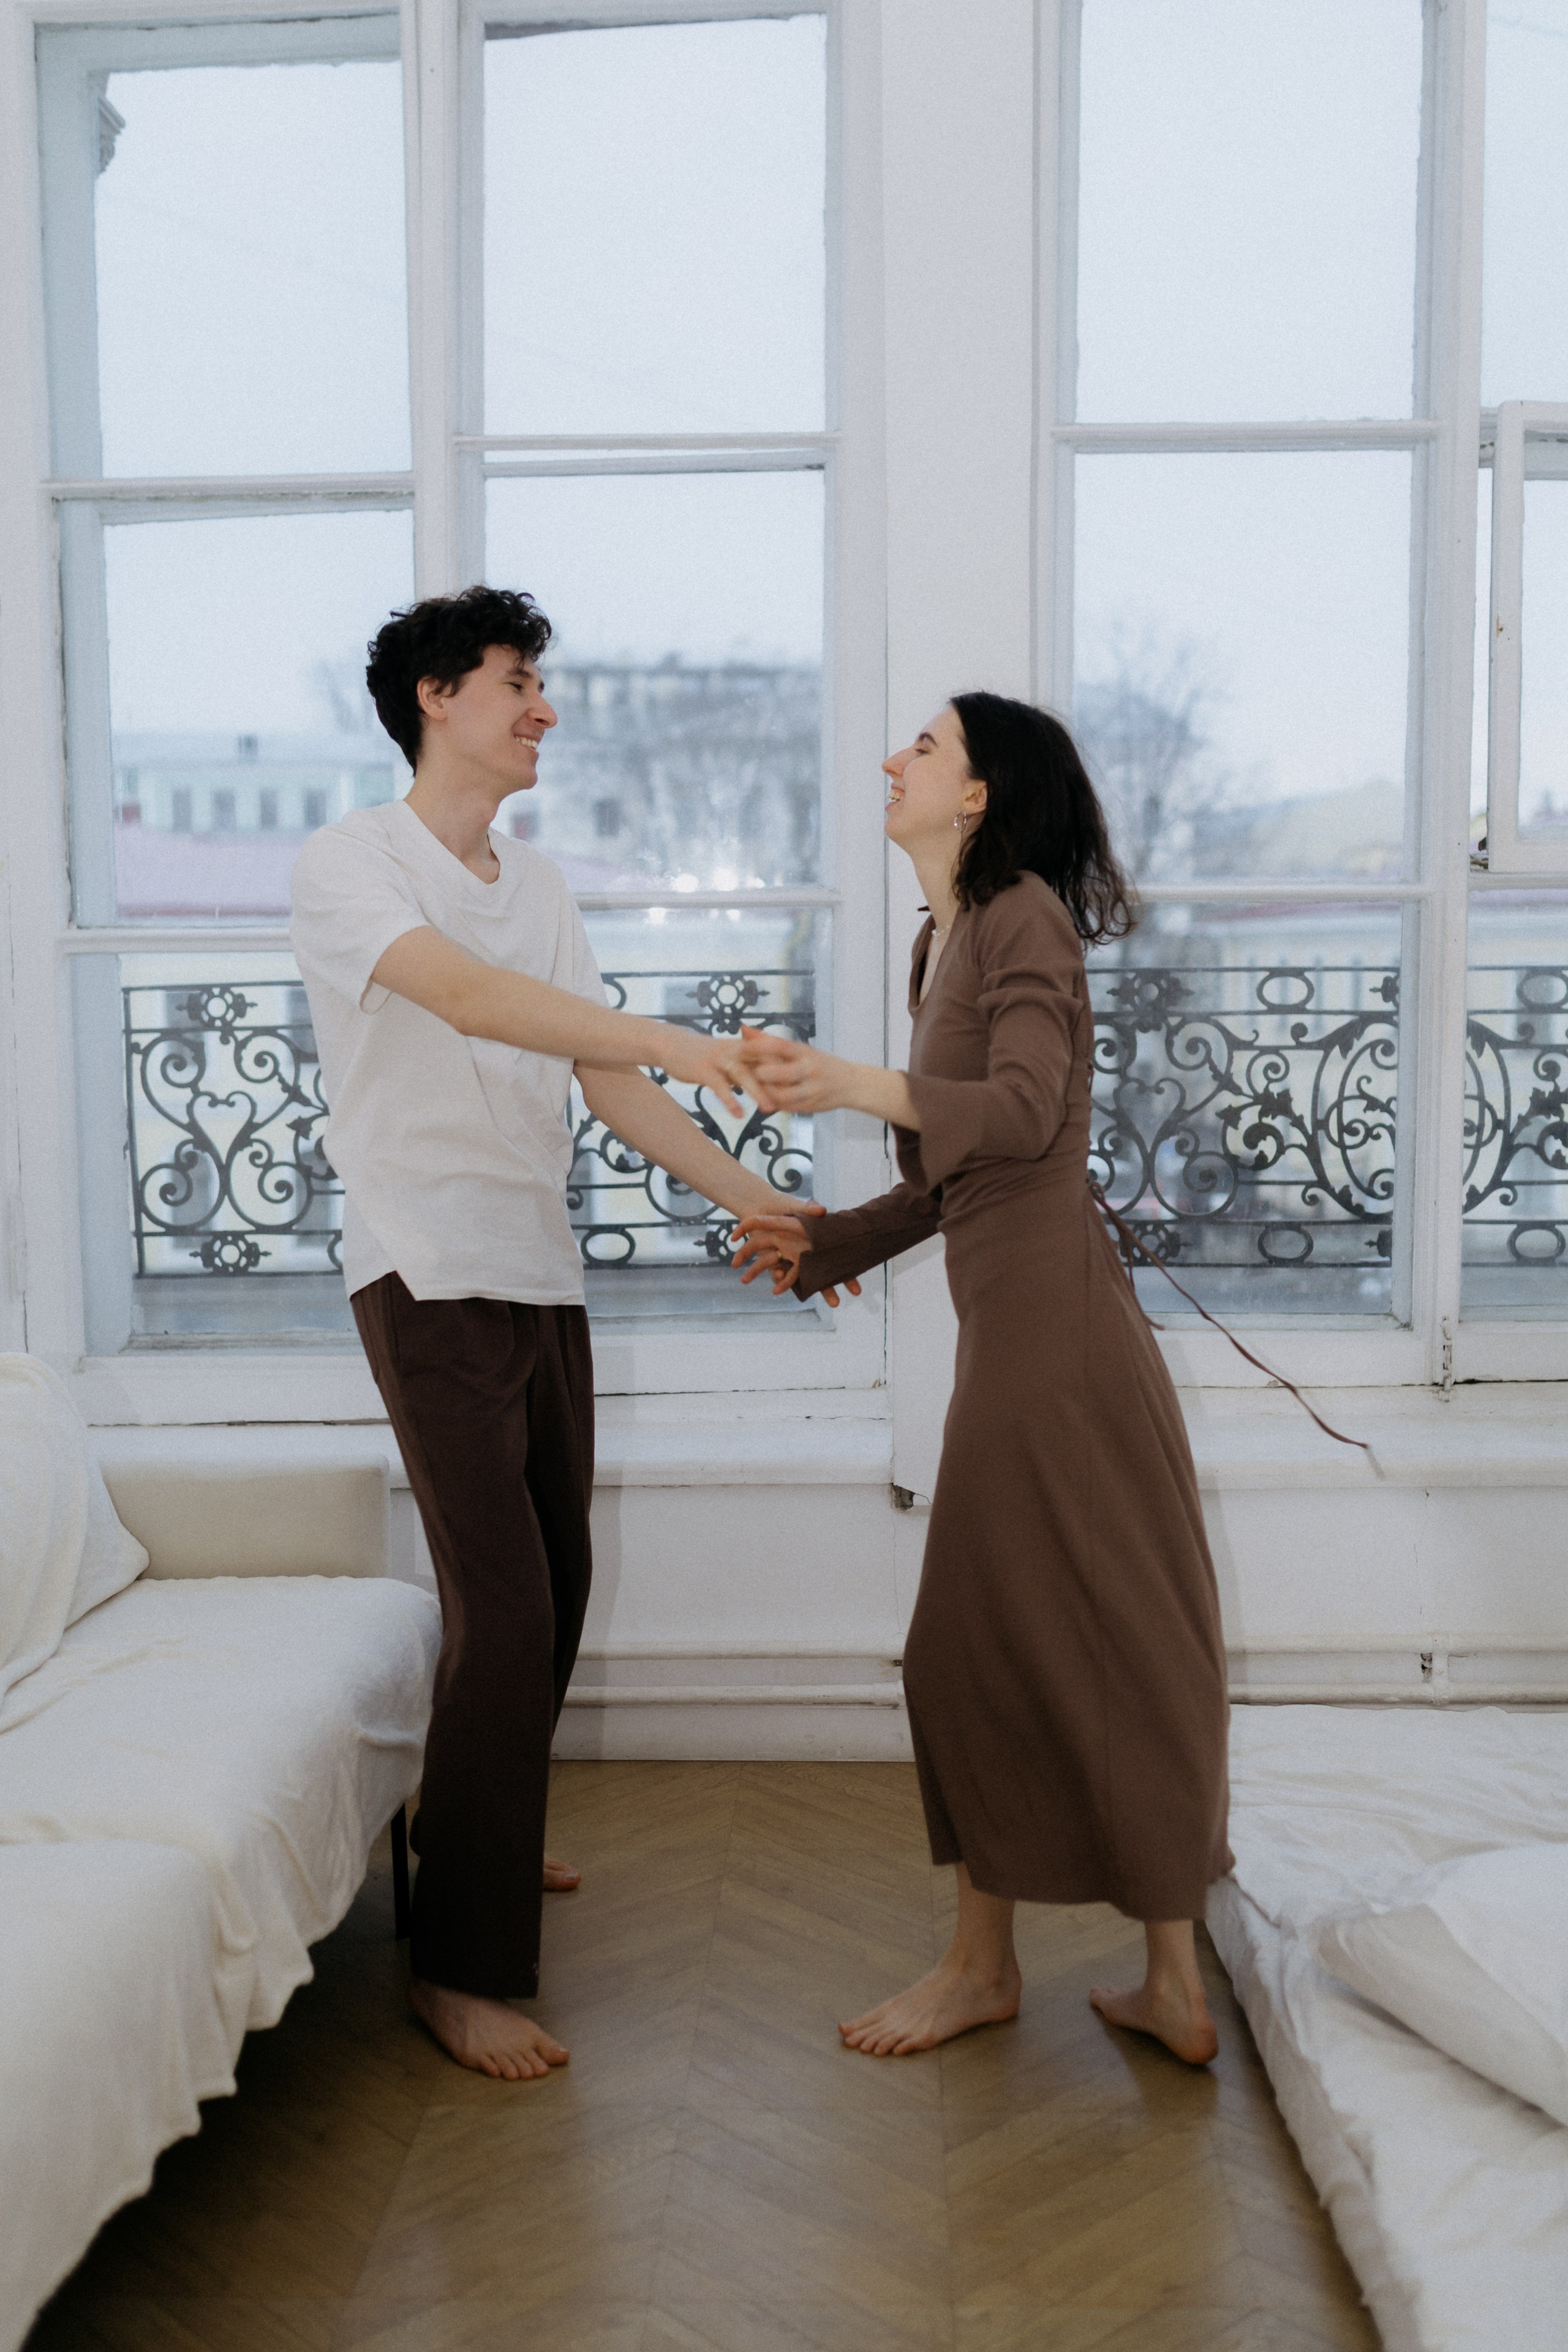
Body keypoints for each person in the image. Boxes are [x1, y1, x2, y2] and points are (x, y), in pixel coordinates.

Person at [290, 584, 789, 2082]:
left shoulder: (542, 878)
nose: (543, 709)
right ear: (436, 698)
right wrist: (674, 1038)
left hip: (536, 1268)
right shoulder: (349, 861)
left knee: (556, 1586)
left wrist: (751, 1199)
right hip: (425, 1264)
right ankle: (461, 1965)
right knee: (499, 1609)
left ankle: (471, 1823)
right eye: (517, 682)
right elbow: (470, 1000)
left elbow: (601, 1077)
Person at [729, 692, 1232, 2066]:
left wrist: (840, 1084)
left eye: (925, 747)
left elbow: (1018, 1114)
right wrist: (821, 1242)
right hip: (1021, 1323)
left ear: (977, 795)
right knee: (1083, 1626)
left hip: (1052, 1338)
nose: (890, 757)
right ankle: (1159, 1981)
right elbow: (960, 1172)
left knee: (1014, 1637)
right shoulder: (940, 940)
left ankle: (986, 1968)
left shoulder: (1019, 919)